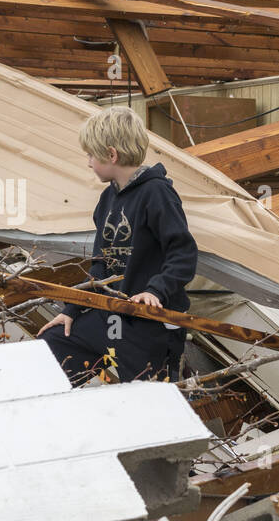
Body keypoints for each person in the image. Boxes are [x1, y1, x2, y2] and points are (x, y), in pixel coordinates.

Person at [38, 106, 198, 385]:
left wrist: (154, 290)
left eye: (90, 155)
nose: (88, 162)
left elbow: (183, 254)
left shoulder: (157, 193)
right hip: (111, 314)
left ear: (111, 154)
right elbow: (100, 265)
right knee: (52, 344)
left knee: (145, 395)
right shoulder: (107, 200)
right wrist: (70, 310)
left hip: (149, 322)